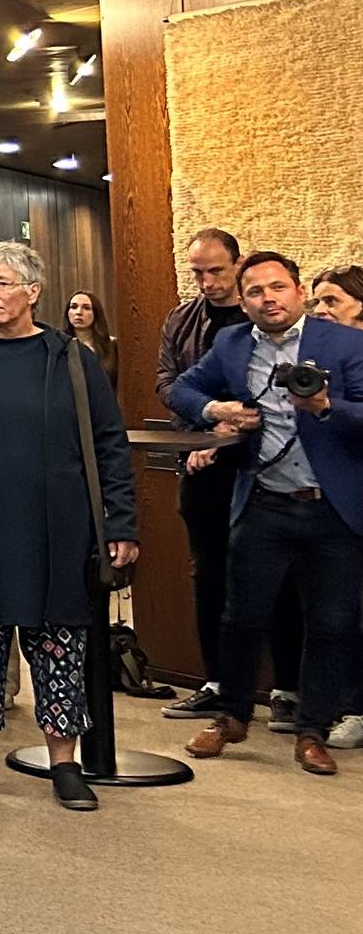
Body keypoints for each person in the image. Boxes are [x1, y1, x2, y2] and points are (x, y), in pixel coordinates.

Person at [0, 241, 136, 810]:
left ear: (33, 292)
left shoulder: (71, 360)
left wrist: (121, 524)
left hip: (58, 530)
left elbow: (109, 446)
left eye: (2, 284)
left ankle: (64, 763)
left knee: (59, 646)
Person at [168, 252, 363, 777]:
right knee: (241, 617)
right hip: (264, 502)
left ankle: (312, 730)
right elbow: (182, 388)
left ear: (298, 292)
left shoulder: (346, 343)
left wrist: (326, 407)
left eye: (278, 288)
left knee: (332, 624)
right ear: (244, 298)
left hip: (334, 509)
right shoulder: (231, 343)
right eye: (255, 291)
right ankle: (232, 717)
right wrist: (217, 411)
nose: (267, 299)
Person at [155, 229, 301, 727]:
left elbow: (276, 394)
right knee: (209, 572)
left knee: (280, 578)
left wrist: (233, 422)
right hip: (202, 461)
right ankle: (216, 682)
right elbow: (169, 384)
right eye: (197, 272)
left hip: (261, 464)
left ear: (238, 266)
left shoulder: (261, 317)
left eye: (216, 270)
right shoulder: (182, 318)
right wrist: (208, 424)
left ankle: (287, 688)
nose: (207, 282)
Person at [309, 264, 363, 753]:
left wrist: (329, 407)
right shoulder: (314, 357)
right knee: (339, 612)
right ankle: (349, 706)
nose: (322, 312)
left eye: (333, 302)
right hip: (332, 503)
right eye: (317, 303)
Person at [67, 291, 118, 387]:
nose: (78, 312)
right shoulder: (60, 346)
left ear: (96, 313)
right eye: (73, 307)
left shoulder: (113, 345)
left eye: (86, 308)